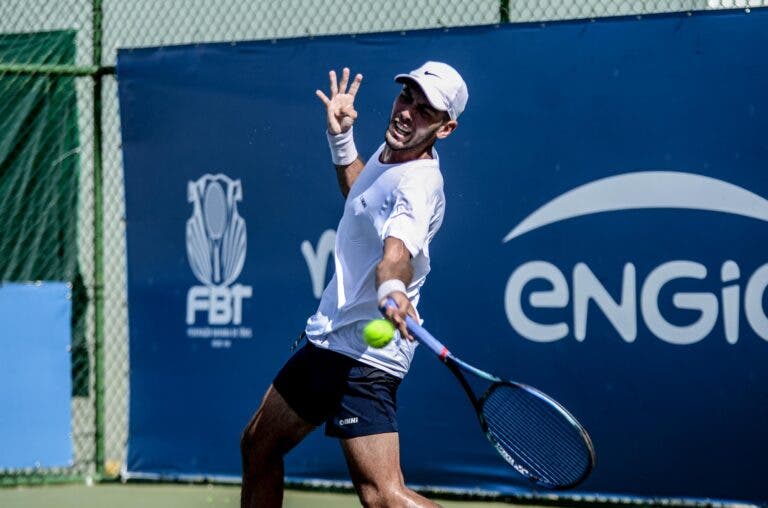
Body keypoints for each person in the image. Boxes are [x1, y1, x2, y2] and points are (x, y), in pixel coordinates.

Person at [240, 61, 468, 508]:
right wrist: (341, 139)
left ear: (446, 129)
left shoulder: (419, 186)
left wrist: (392, 290)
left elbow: (396, 256)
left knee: (382, 497)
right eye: (407, 98)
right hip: (331, 339)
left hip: (366, 357)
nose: (407, 113)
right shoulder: (392, 160)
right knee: (258, 445)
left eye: (425, 111)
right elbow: (364, 197)